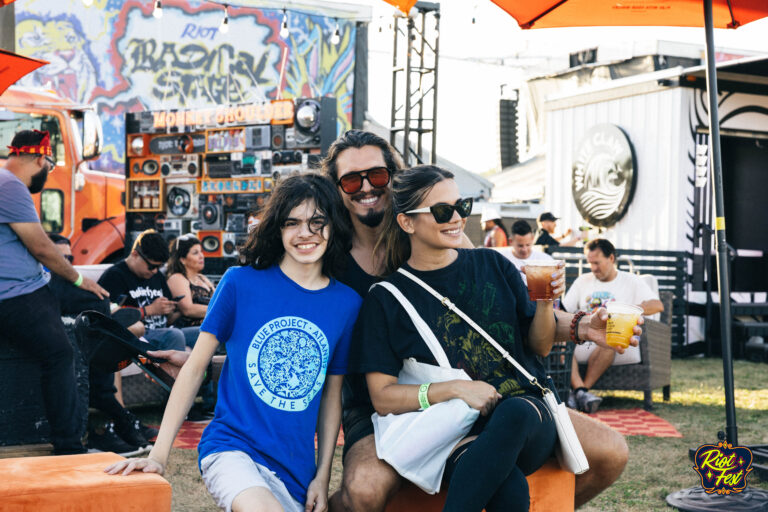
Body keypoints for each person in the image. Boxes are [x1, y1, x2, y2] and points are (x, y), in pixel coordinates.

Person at [324, 130, 633, 510]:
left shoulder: (453, 243)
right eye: (352, 179)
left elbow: (500, 305)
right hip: (387, 399)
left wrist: (579, 325)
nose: (367, 187)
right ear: (337, 187)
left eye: (378, 175)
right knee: (364, 490)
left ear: (394, 176)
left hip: (492, 392)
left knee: (607, 452)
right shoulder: (329, 257)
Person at [105, 174, 363, 512]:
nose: (305, 234)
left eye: (317, 222)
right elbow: (195, 367)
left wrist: (322, 475)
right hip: (231, 448)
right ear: (277, 227)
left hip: (296, 471)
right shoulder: (240, 283)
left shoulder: (346, 303)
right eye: (292, 222)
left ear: (334, 226)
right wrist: (158, 456)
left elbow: (332, 394)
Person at [0, 129, 107, 455]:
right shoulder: (10, 186)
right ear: (38, 158)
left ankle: (105, 399)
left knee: (96, 301)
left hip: (31, 285)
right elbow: (42, 247)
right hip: (18, 294)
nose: (48, 170)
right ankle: (69, 444)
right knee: (60, 354)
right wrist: (77, 278)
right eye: (49, 163)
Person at [46, 233, 156, 455]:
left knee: (104, 331)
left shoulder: (74, 284)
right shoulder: (46, 281)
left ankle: (111, 422)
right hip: (63, 336)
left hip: (89, 337)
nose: (66, 264)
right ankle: (116, 420)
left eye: (70, 259)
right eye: (60, 258)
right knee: (100, 315)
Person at [562, 239, 664, 413]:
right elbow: (565, 310)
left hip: (609, 338)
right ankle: (582, 392)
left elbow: (657, 305)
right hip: (583, 337)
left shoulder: (631, 280)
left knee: (614, 336)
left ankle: (580, 390)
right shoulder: (582, 281)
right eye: (590, 263)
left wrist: (634, 309)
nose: (593, 268)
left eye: (597, 262)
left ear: (611, 258)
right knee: (561, 338)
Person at [98, 229, 196, 352]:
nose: (155, 271)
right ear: (135, 255)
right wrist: (149, 310)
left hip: (164, 330)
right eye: (151, 266)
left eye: (159, 267)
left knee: (203, 332)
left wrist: (173, 309)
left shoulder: (156, 276)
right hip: (140, 335)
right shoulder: (114, 276)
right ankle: (181, 372)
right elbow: (106, 314)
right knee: (174, 335)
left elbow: (168, 319)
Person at [166, 234, 215, 328]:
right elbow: (188, 309)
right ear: (183, 259)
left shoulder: (202, 278)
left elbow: (218, 301)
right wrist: (219, 310)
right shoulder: (177, 278)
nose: (201, 256)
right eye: (195, 253)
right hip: (188, 329)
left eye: (201, 251)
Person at [503, 220, 554, 284]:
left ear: (532, 239)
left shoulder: (546, 260)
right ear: (511, 241)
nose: (524, 249)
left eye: (528, 245)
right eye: (520, 246)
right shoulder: (502, 260)